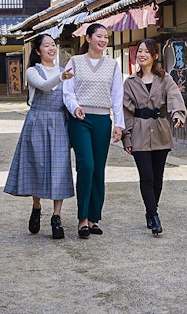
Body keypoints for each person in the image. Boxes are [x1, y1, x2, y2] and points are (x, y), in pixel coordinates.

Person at [4, 34, 75, 240]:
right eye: (47, 46)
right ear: (38, 51)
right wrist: (62, 78)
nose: (52, 49)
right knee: (37, 165)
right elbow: (44, 86)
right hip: (37, 122)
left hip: (59, 122)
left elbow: (70, 98)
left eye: (54, 45)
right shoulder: (32, 71)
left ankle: (56, 217)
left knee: (60, 168)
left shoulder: (65, 72)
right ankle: (36, 206)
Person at [62, 23, 124, 239]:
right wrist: (75, 107)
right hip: (80, 120)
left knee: (98, 168)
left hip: (102, 121)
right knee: (86, 165)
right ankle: (82, 219)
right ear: (88, 38)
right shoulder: (75, 62)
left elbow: (117, 97)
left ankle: (94, 217)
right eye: (99, 36)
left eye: (105, 37)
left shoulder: (113, 66)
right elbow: (67, 92)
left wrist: (119, 124)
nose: (103, 40)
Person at [122, 38, 186, 236]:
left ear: (155, 56)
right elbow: (125, 111)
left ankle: (150, 211)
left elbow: (175, 96)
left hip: (160, 131)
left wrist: (177, 114)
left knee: (158, 177)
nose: (141, 54)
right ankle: (154, 215)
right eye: (139, 51)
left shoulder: (165, 79)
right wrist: (126, 137)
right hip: (139, 133)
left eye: (146, 52)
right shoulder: (130, 82)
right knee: (146, 177)